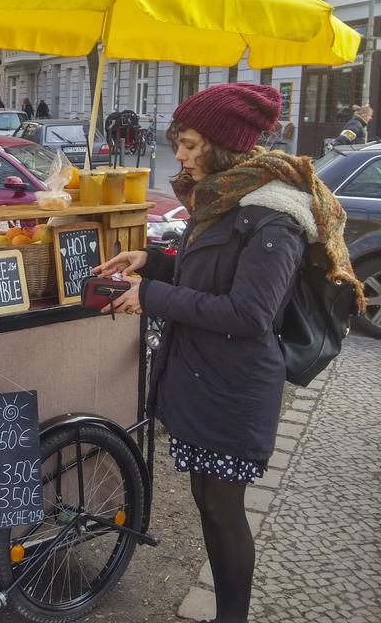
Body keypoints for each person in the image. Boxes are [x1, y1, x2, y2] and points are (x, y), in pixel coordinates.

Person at [93, 83, 363, 623]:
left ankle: (231, 617)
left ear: (223, 143)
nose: (184, 155)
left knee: (222, 511)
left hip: (235, 387)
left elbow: (248, 313)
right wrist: (153, 261)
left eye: (191, 143)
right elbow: (209, 276)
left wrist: (150, 296)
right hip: (206, 377)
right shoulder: (223, 196)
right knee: (210, 506)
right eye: (180, 143)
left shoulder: (273, 216)